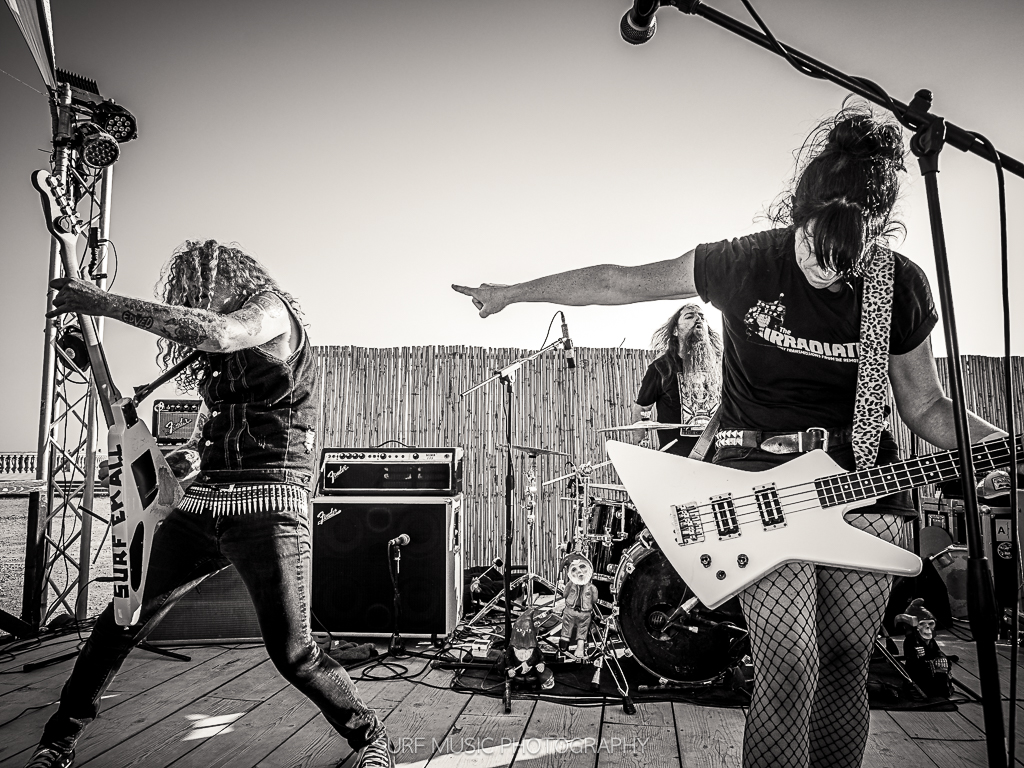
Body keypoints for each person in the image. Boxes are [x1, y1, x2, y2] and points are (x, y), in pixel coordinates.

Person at [453, 104, 1009, 768]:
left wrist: (1005, 444)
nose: (825, 270)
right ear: (797, 216)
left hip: (864, 478)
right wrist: (514, 291)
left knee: (845, 661)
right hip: (756, 476)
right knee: (790, 661)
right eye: (813, 248)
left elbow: (926, 406)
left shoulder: (900, 284)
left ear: (874, 233)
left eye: (844, 258)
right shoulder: (744, 262)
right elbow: (621, 281)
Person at [27, 240, 393, 768]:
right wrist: (178, 461)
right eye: (188, 291)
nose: (197, 297)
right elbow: (214, 433)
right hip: (203, 508)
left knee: (293, 653)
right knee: (122, 619)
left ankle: (371, 737)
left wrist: (102, 303)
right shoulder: (218, 364)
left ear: (234, 277)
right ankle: (58, 741)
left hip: (268, 505)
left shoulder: (271, 311)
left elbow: (219, 331)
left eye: (203, 285)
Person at [630, 302, 723, 455]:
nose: (698, 319)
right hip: (676, 458)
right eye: (689, 316)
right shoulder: (661, 368)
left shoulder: (720, 366)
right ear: (675, 330)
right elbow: (642, 409)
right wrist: (641, 445)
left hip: (717, 457)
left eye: (702, 317)